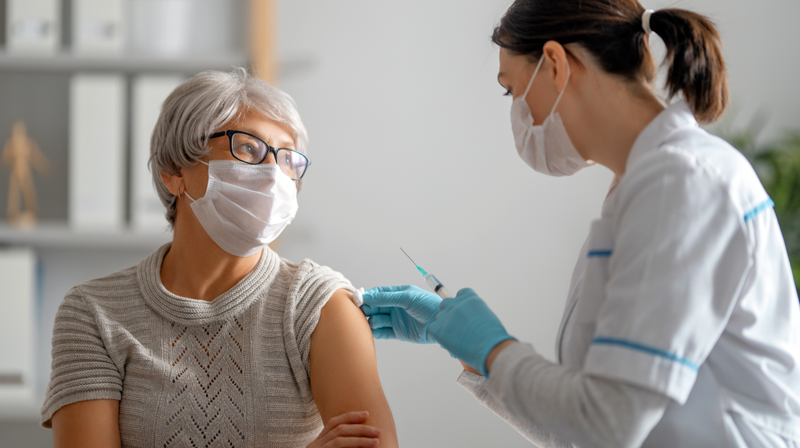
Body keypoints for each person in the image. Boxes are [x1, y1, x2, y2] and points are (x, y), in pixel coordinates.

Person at [361, 1, 800, 447]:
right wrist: (472, 352)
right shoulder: (639, 191)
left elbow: (608, 424)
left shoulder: (682, 183)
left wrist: (492, 349)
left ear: (554, 64)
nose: (516, 111)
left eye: (510, 90)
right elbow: (582, 427)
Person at [41, 69, 397, 448]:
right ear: (174, 173)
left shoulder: (318, 304)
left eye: (288, 159)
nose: (273, 175)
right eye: (248, 148)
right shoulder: (95, 312)